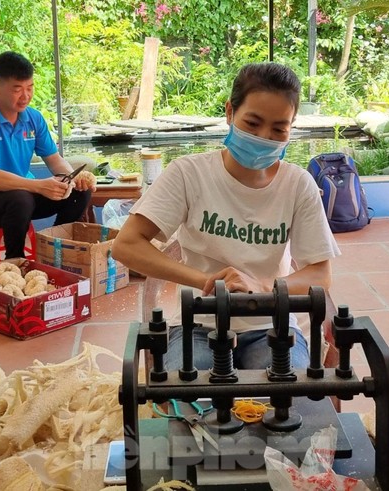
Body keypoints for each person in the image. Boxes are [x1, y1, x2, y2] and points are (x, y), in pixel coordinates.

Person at [112, 62, 340, 371]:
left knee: (282, 400)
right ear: (230, 112)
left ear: (291, 127)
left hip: (271, 325)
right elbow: (126, 245)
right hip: (198, 324)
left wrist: (262, 287)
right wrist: (207, 282)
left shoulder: (298, 184)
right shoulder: (188, 174)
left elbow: (319, 274)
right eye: (252, 123)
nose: (264, 137)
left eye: (278, 129)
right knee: (197, 403)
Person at [0, 51, 96, 259]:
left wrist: (72, 177)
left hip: (26, 196)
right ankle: (15, 261)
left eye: (29, 88)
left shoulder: (33, 118)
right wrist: (40, 185)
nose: (25, 96)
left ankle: (56, 250)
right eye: (17, 89)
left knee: (79, 191)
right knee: (20, 197)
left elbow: (54, 160)